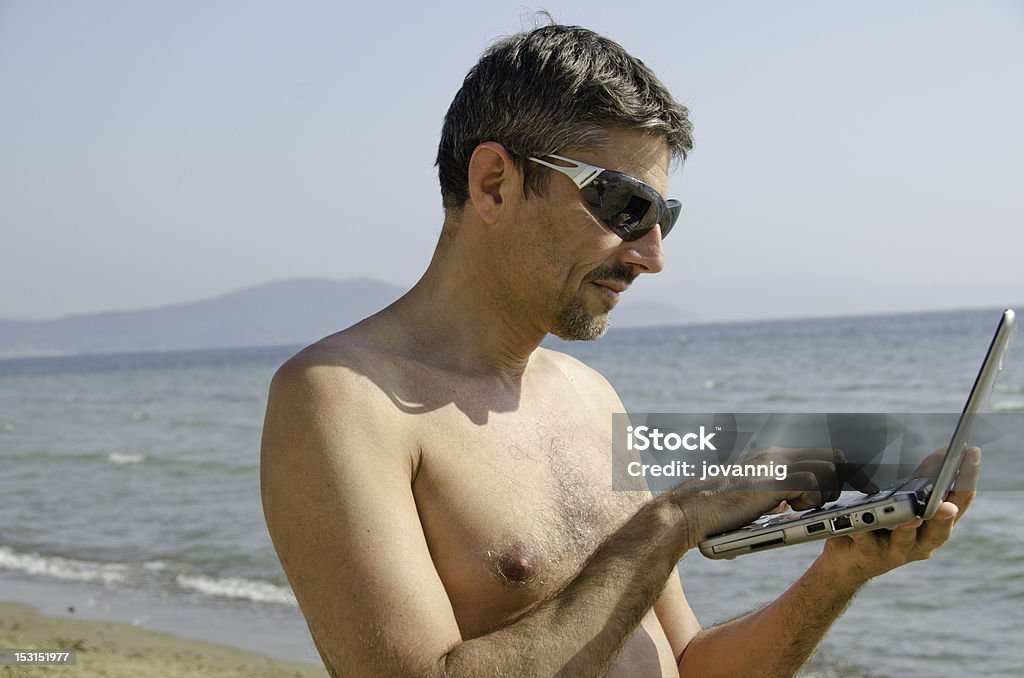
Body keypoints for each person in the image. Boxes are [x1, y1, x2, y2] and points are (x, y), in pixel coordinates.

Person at [260, 23, 977, 678]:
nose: (651, 254)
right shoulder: (340, 398)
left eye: (664, 216)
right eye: (626, 207)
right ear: (494, 183)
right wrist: (673, 521)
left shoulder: (588, 395)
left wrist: (837, 573)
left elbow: (688, 665)